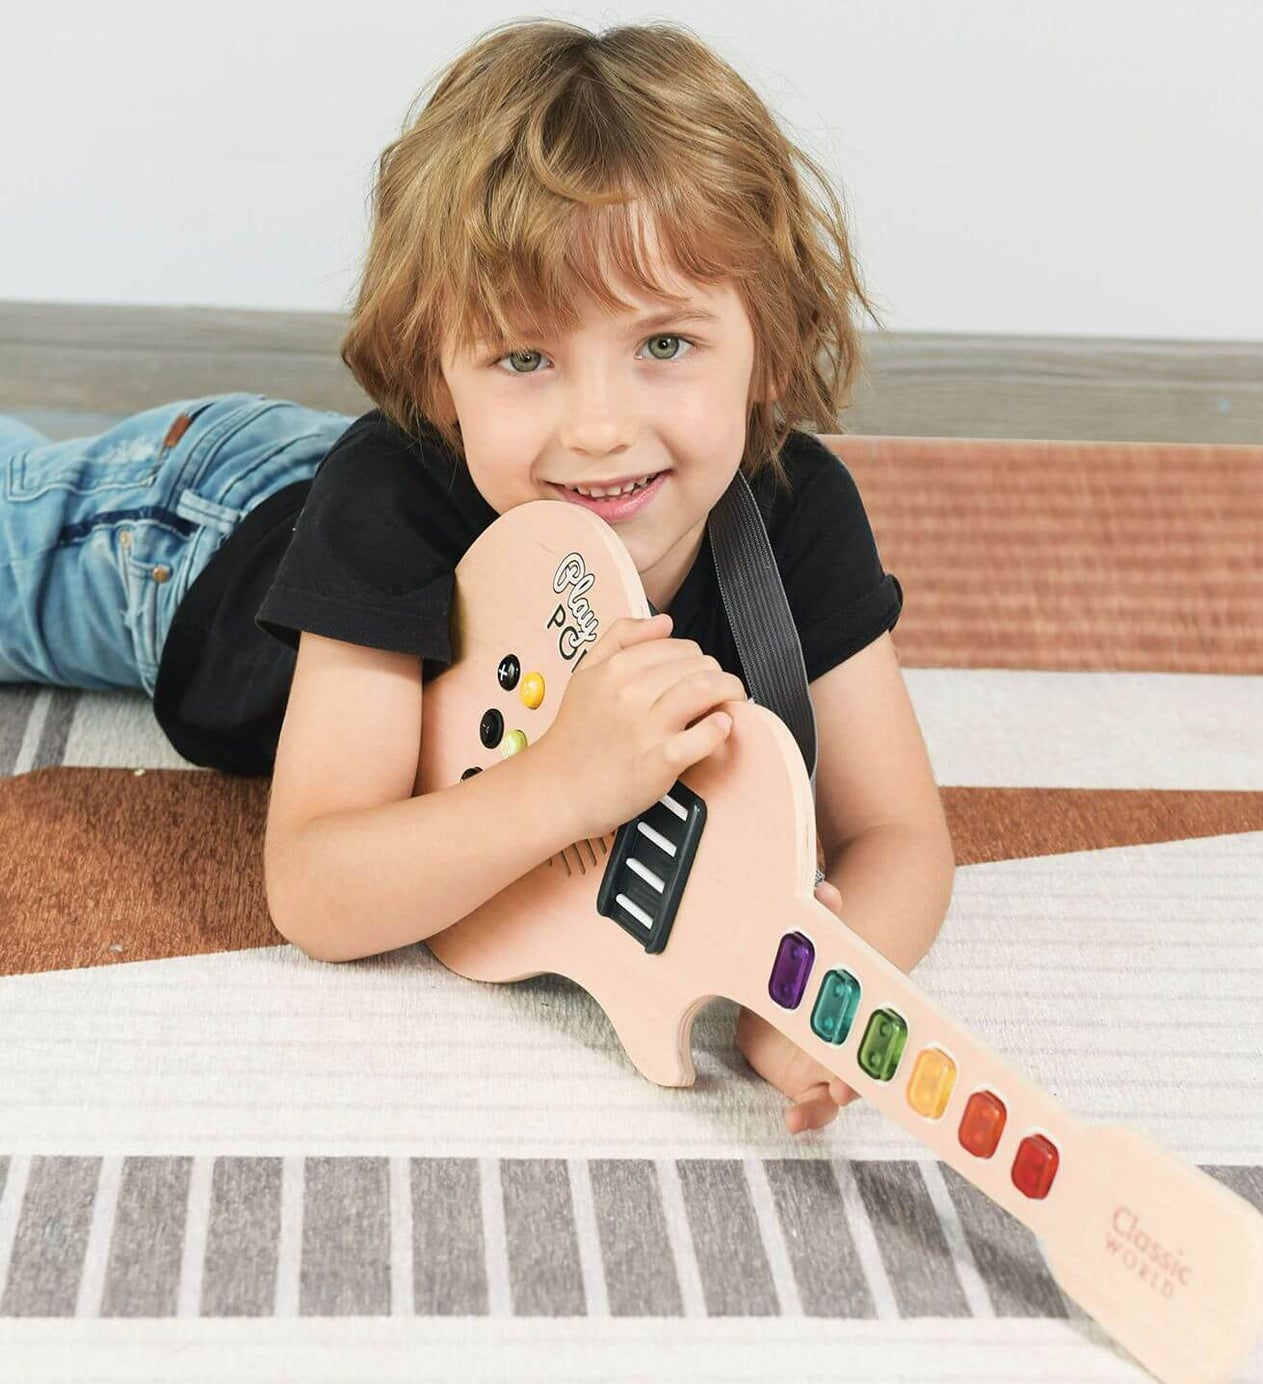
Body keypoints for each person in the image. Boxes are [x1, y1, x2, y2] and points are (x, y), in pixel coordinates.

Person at [0, 18, 955, 1133]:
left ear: (771, 353)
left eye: (662, 345)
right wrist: (567, 785)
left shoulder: (797, 515)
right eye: (523, 356)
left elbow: (899, 834)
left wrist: (803, 991)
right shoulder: (390, 504)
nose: (599, 428)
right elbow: (316, 886)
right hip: (190, 537)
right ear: (436, 376)